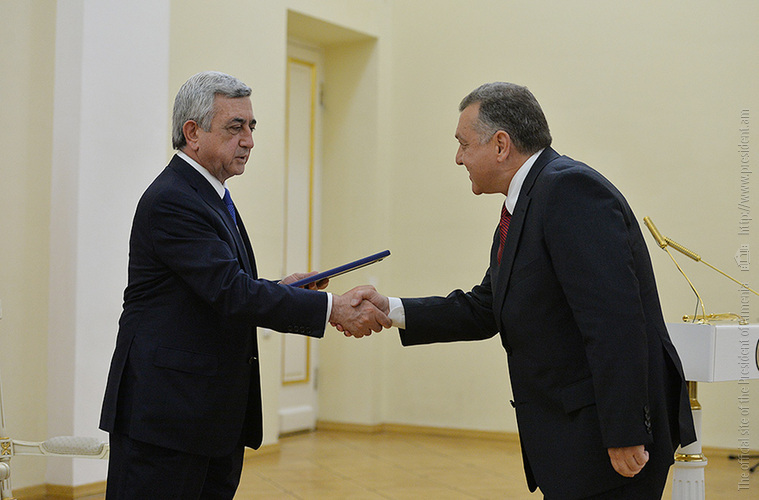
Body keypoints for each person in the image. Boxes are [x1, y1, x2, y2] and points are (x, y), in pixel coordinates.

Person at [341, 82, 696, 499]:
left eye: (463, 144)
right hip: (576, 435)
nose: (458, 158)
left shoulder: (568, 190)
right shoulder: (527, 201)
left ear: (500, 145)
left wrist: (625, 431)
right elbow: (485, 307)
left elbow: (614, 320)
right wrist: (390, 309)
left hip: (607, 438)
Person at [99, 71, 390, 499]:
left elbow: (216, 289)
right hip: (166, 419)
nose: (249, 140)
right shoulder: (173, 199)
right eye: (235, 127)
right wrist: (331, 307)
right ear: (193, 133)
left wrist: (284, 288)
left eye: (251, 126)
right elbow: (231, 292)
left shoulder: (208, 194)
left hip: (205, 417)